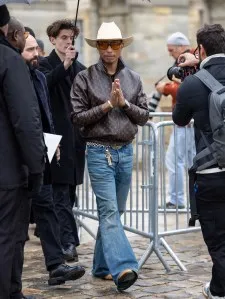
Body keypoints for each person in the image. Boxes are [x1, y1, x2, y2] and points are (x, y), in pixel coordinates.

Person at [7, 17, 86, 288]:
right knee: (31, 213)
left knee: (50, 203)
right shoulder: (25, 73)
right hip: (21, 155)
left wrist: (54, 143)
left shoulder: (39, 75)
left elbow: (43, 113)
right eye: (29, 50)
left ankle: (56, 265)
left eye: (35, 50)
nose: (35, 55)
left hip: (50, 146)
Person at [71, 21, 149, 291]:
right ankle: (124, 266)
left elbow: (144, 116)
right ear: (97, 47)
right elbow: (77, 118)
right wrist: (106, 105)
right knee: (109, 211)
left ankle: (102, 266)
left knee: (116, 212)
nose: (109, 49)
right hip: (98, 151)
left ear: (121, 46)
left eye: (114, 44)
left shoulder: (134, 78)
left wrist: (124, 103)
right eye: (103, 44)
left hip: (125, 152)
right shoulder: (85, 78)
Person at [173, 24, 225, 299]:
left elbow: (179, 119)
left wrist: (190, 76)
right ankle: (217, 288)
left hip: (211, 171)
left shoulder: (193, 83)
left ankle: (220, 290)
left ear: (201, 49)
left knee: (218, 239)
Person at [0, 5, 45, 299]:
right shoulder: (10, 61)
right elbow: (26, 121)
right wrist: (37, 166)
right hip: (7, 173)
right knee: (8, 238)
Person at [39, 19, 86, 262]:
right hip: (53, 137)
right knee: (58, 191)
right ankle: (68, 242)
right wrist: (63, 66)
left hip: (75, 139)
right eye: (64, 37)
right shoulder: (43, 64)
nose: (68, 41)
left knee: (69, 193)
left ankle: (59, 236)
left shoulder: (81, 68)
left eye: (71, 38)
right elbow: (43, 86)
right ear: (53, 40)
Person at [155, 32, 196, 209]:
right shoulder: (191, 58)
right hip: (189, 119)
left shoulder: (188, 60)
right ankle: (195, 201)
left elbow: (187, 87)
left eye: (171, 49)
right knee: (192, 162)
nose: (170, 53)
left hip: (185, 120)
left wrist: (166, 87)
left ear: (181, 47)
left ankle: (177, 200)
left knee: (175, 161)